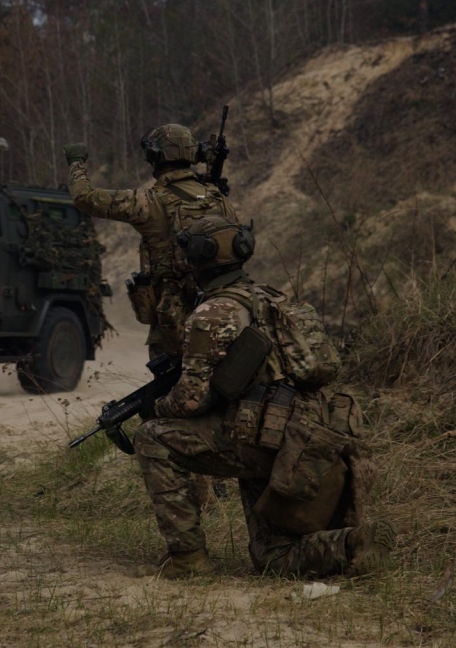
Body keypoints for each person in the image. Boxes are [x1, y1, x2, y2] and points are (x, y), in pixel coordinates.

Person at [131, 215, 396, 579]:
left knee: (152, 438)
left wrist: (155, 408)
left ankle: (188, 560)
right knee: (272, 558)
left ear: (197, 258)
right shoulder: (274, 299)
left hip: (257, 439)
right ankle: (353, 544)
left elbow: (190, 401)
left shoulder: (211, 313)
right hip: (299, 440)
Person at [63, 127, 236, 360]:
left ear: (156, 157)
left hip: (173, 323)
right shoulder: (219, 199)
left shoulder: (148, 201)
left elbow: (85, 197)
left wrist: (76, 163)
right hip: (222, 313)